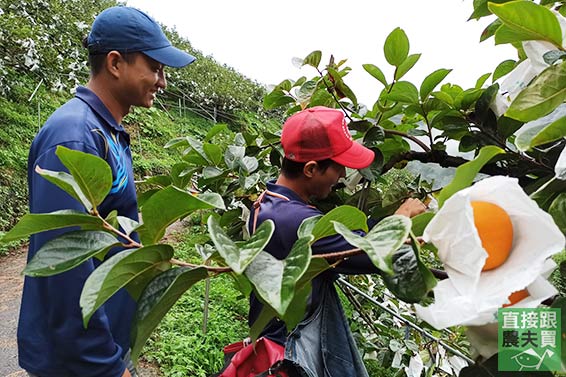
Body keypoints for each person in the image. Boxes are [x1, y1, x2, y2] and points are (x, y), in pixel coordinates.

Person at [18, 6, 195, 377]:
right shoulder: (75, 136)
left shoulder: (107, 132)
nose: (162, 82)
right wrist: (104, 366)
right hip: (77, 362)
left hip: (106, 340)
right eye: (155, 68)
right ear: (116, 63)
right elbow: (64, 268)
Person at [247, 106, 426, 376]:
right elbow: (371, 254)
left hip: (272, 342)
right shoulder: (297, 222)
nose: (343, 175)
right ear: (310, 169)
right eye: (338, 166)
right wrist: (402, 218)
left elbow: (346, 241)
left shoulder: (270, 201)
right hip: (290, 359)